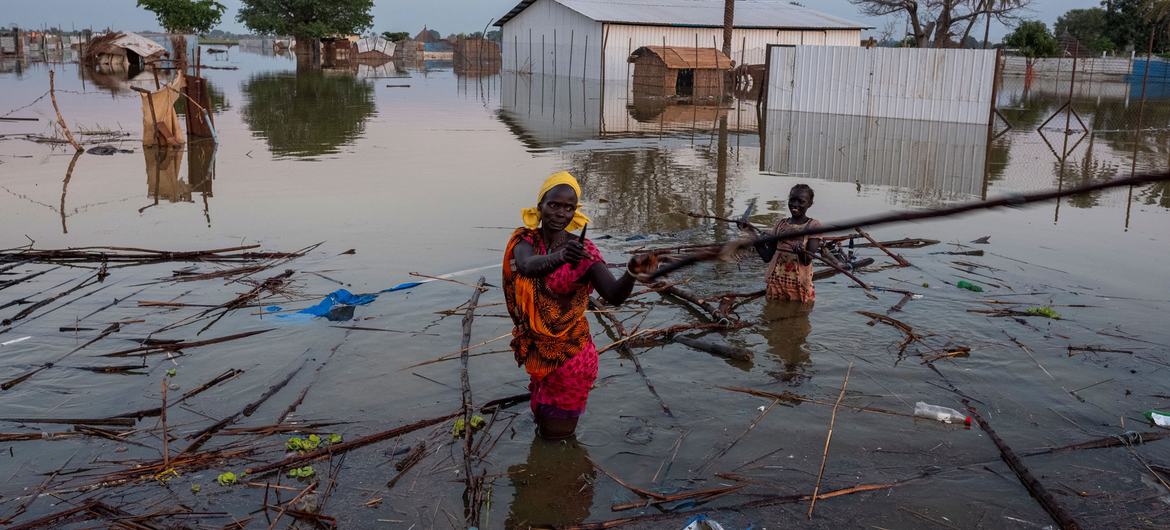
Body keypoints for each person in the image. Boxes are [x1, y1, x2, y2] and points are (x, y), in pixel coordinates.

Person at [503, 171, 657, 440]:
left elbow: (613, 295)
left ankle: (569, 478)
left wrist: (632, 274)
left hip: (571, 361)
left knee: (556, 441)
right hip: (539, 355)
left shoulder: (584, 253)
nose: (561, 213)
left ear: (574, 213)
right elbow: (527, 267)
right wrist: (560, 257)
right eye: (554, 204)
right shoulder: (525, 240)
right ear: (540, 206)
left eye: (568, 207)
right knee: (544, 429)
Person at [740, 184, 823, 303]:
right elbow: (767, 256)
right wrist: (751, 232)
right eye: (792, 200)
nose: (795, 204)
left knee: (798, 318)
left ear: (809, 204)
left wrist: (800, 252)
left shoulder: (814, 226)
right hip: (776, 283)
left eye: (801, 201)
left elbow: (807, 260)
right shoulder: (780, 225)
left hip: (799, 286)